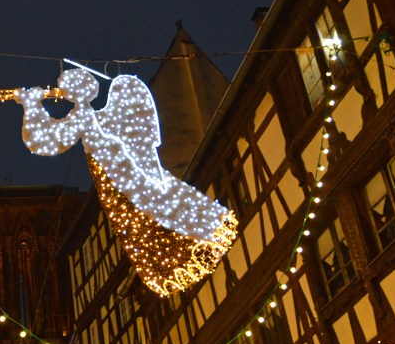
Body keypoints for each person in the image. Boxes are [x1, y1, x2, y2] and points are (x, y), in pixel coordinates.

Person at [14, 68, 238, 296]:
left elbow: (43, 141)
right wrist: (32, 105)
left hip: (119, 173)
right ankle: (193, 243)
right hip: (124, 171)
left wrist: (31, 104)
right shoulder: (100, 116)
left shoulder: (84, 116)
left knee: (150, 215)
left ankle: (182, 254)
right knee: (158, 210)